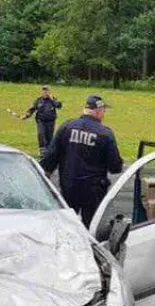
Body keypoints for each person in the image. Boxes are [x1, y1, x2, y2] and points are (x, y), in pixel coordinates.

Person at [41, 95, 123, 227]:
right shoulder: (105, 133)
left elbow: (49, 159)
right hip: (93, 191)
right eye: (104, 110)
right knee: (92, 228)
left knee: (67, 226)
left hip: (68, 187)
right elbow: (115, 167)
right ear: (99, 110)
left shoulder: (66, 127)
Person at [22, 85, 62, 156]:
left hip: (50, 121)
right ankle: (42, 151)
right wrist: (26, 116)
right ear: (41, 92)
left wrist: (52, 99)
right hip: (41, 121)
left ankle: (48, 152)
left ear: (49, 92)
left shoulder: (53, 100)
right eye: (44, 91)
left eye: (46, 91)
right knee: (41, 134)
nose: (45, 92)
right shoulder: (38, 100)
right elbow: (32, 109)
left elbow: (59, 106)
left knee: (49, 136)